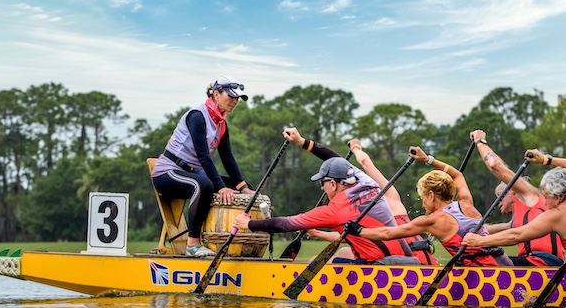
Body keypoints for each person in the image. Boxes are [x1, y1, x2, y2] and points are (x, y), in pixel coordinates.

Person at [233, 129, 419, 265]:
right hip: (409, 261)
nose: (322, 188)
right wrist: (303, 142)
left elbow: (285, 224)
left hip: (380, 269)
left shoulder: (335, 210)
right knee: (346, 251)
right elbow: (338, 161)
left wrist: (248, 224)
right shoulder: (368, 184)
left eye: (323, 183)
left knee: (315, 261)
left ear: (332, 184)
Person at [345, 146, 513, 267]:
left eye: (423, 198)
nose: (423, 203)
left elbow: (389, 233)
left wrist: (358, 230)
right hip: (507, 266)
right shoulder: (465, 202)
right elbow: (457, 174)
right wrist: (427, 160)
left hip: (490, 276)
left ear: (431, 195)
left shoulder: (432, 220)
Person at [151, 76, 254, 257]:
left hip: (192, 172)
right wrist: (220, 188)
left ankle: (236, 247)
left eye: (238, 98)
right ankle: (193, 244)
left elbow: (228, 158)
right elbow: (203, 157)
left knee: (242, 188)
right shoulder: (197, 116)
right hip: (168, 173)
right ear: (216, 94)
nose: (235, 101)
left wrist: (242, 186)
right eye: (231, 96)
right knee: (204, 185)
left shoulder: (222, 124)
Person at [470, 130, 563, 266]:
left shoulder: (529, 195)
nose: (498, 202)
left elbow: (494, 165)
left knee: (479, 263)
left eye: (500, 196)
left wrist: (479, 141)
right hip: (534, 262)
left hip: (541, 264)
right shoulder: (518, 221)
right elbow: (486, 230)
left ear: (513, 191)